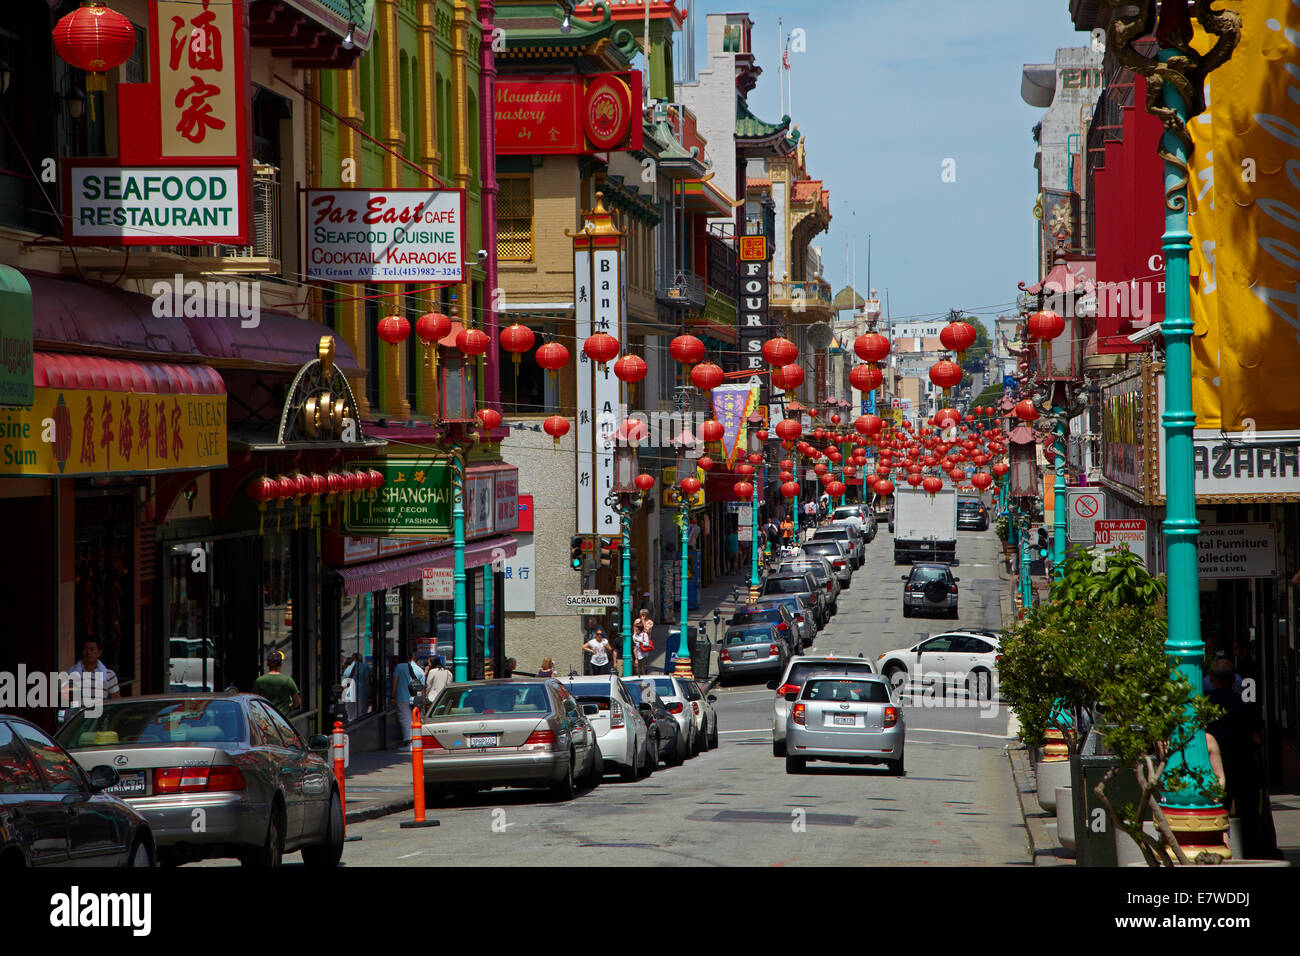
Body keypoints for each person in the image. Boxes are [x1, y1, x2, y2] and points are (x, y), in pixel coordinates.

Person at [1205, 658, 1279, 859]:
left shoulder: (1204, 706)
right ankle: (1252, 855)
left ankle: (1217, 852)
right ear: (1234, 680)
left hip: (1216, 770)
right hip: (1245, 768)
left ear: (1211, 679)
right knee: (1250, 818)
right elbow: (1258, 738)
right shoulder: (1245, 704)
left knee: (1217, 814)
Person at [64, 638, 121, 709]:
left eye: (92, 649)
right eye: (86, 649)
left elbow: (116, 700)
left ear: (99, 653)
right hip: (78, 717)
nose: (88, 652)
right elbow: (65, 700)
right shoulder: (71, 673)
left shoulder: (108, 675)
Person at [391, 649, 424, 751]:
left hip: (402, 698)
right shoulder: (420, 671)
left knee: (405, 720)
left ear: (407, 658)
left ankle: (409, 743)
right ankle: (416, 741)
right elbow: (422, 688)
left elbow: (395, 682)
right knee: (415, 720)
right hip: (415, 699)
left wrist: (392, 696)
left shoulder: (399, 667)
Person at [253, 650, 301, 719]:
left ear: (267, 664)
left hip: (266, 721)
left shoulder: (259, 681)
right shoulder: (288, 681)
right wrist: (291, 707)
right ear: (281, 663)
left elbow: (254, 701)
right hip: (283, 721)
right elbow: (297, 701)